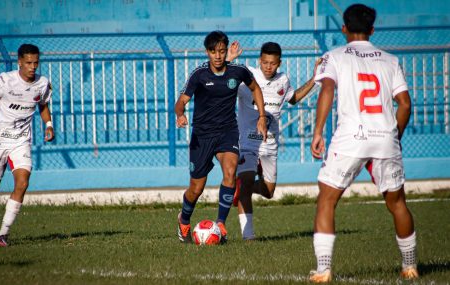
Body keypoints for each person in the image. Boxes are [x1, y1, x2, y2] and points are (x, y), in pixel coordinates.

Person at [309, 4, 417, 282]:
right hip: (385, 138)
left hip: (350, 138)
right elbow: (404, 104)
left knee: (327, 200)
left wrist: (318, 131)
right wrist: (395, 136)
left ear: (343, 28)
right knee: (398, 204)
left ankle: (323, 270)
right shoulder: (390, 60)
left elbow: (328, 90)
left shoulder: (333, 56)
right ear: (372, 29)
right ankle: (410, 266)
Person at [174, 30, 267, 243]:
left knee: (230, 171)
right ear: (207, 52)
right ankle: (184, 219)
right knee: (196, 188)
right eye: (214, 51)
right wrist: (180, 114)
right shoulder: (199, 74)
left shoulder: (238, 71)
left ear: (226, 52)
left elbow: (256, 88)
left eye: (222, 51)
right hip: (202, 135)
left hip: (227, 131)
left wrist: (262, 116)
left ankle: (221, 223)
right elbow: (181, 102)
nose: (218, 55)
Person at [226, 41, 321, 240]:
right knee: (246, 182)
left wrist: (315, 78)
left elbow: (294, 98)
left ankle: (239, 186)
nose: (268, 67)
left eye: (273, 63)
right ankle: (248, 236)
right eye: (265, 62)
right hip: (247, 143)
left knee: (268, 192)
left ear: (279, 63)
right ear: (259, 60)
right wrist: (228, 60)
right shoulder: (246, 76)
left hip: (270, 144)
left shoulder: (283, 80)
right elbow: (222, 80)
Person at [0, 44, 55, 247]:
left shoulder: (42, 83)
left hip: (21, 141)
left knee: (22, 182)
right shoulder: (6, 81)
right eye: (28, 63)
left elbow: (42, 104)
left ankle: (2, 235)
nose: (33, 67)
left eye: (36, 63)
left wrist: (48, 125)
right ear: (20, 63)